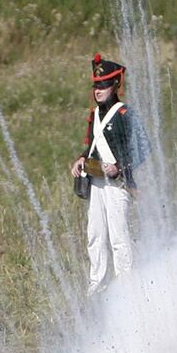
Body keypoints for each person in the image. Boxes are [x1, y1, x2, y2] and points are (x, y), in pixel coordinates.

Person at [70, 53, 141, 294]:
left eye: (103, 85)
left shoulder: (124, 114)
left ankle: (125, 286)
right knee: (95, 234)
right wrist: (81, 159)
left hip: (117, 184)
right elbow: (92, 145)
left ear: (115, 85)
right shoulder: (95, 115)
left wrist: (119, 166)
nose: (98, 90)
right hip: (96, 183)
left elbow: (143, 148)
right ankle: (96, 283)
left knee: (119, 236)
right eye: (95, 85)